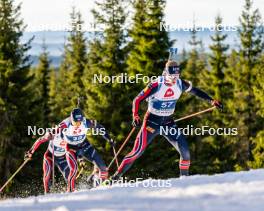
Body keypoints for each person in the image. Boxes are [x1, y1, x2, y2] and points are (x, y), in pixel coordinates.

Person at [112, 59, 223, 179]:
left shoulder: (181, 84)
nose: (174, 78)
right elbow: (137, 100)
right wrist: (135, 115)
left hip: (168, 123)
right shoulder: (156, 84)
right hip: (152, 122)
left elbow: (195, 91)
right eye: (172, 75)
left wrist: (211, 100)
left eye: (177, 75)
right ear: (165, 73)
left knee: (185, 153)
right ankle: (115, 177)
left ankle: (184, 180)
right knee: (137, 151)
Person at [57, 108, 114, 192]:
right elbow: (54, 132)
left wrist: (109, 139)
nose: (77, 124)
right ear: (71, 119)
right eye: (75, 122)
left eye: (79, 122)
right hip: (71, 148)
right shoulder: (65, 124)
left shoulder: (86, 122)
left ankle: (102, 188)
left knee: (103, 167)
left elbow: (99, 127)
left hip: (84, 145)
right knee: (74, 169)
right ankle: (70, 190)